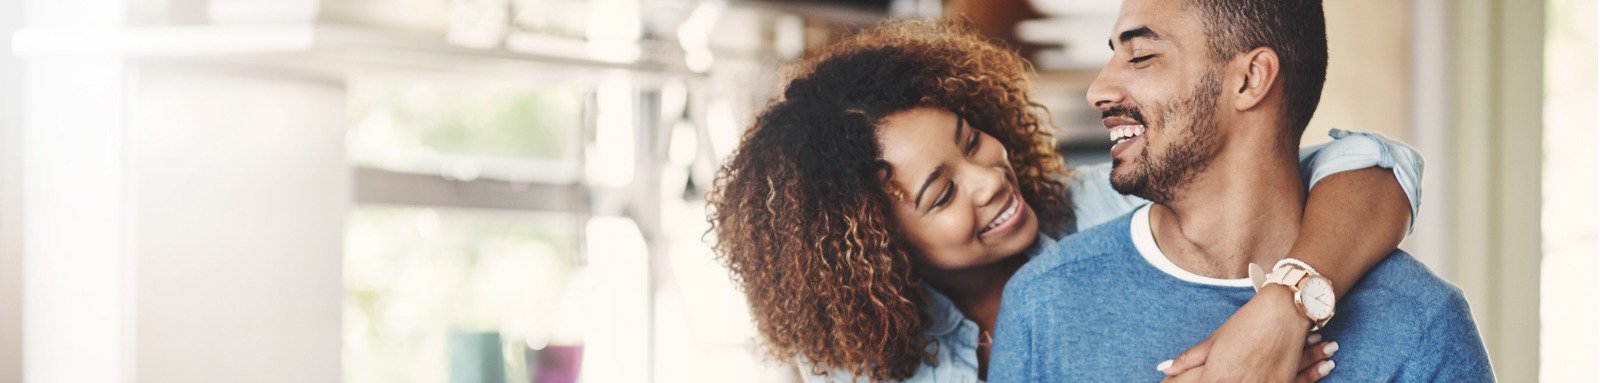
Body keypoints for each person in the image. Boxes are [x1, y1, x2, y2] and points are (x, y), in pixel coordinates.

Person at [707, 20, 1423, 382]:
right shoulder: (873, 362)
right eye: (942, 192)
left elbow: (1375, 165)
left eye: (971, 138)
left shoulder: (1118, 213)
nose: (989, 176)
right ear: (876, 247)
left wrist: (1283, 305)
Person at [988, 0, 1493, 382]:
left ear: (1250, 79)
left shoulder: (1421, 325)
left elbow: (1383, 162)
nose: (1098, 90)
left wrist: (1288, 302)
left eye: (1140, 56)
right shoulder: (1043, 304)